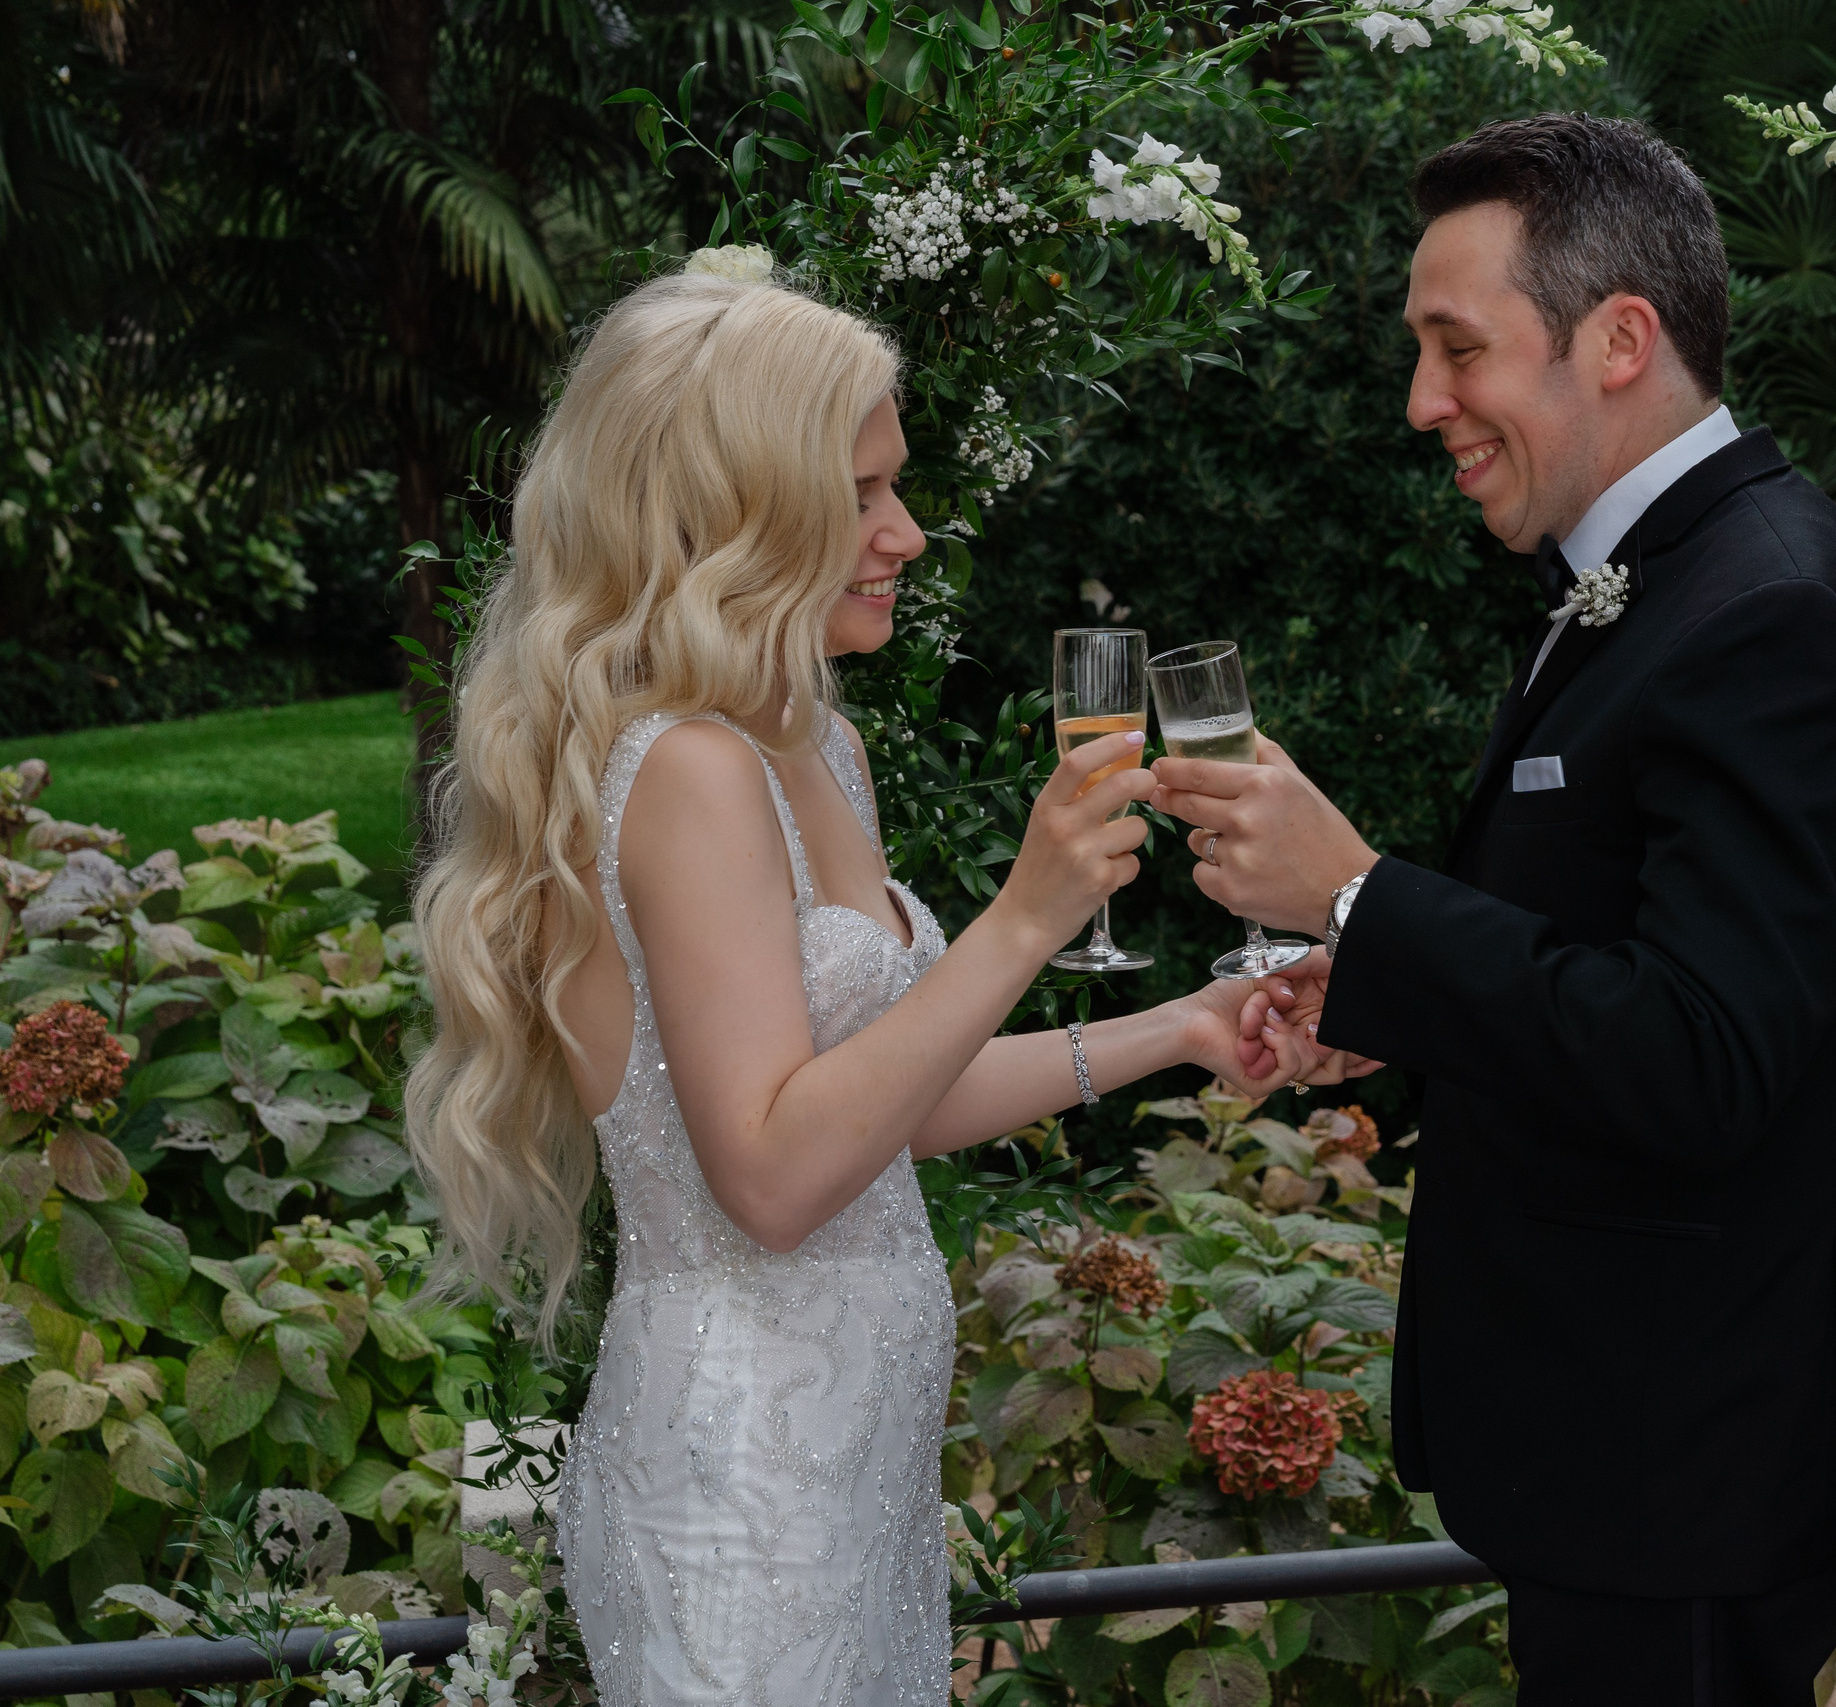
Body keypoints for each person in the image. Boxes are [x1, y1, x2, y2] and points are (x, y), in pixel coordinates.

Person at [403, 267, 1351, 1706]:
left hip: (847, 1486)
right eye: (861, 496)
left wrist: (1183, 1030)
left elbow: (887, 1107)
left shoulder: (804, 745)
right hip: (742, 1492)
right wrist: (1027, 917)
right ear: (739, 511)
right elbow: (776, 1179)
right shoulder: (690, 772)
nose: (903, 534)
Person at [1162, 115, 1836, 1703]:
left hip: (1695, 1463)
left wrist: (1365, 891)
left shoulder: (1766, 609)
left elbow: (1702, 1057)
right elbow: (1615, 957)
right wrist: (1377, 986)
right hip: (1641, 1450)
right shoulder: (1668, 578)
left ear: (1620, 339)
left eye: (1459, 350)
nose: (1422, 403)